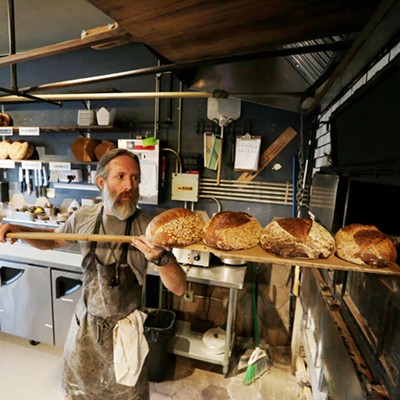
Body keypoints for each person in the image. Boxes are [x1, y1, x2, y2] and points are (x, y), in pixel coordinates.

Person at [0, 148, 187, 400]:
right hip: (85, 329)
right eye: (120, 177)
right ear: (101, 182)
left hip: (125, 335)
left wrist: (161, 258)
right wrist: (20, 230)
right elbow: (54, 241)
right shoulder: (84, 218)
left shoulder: (148, 227)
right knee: (80, 393)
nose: (129, 185)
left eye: (134, 178)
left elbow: (179, 287)